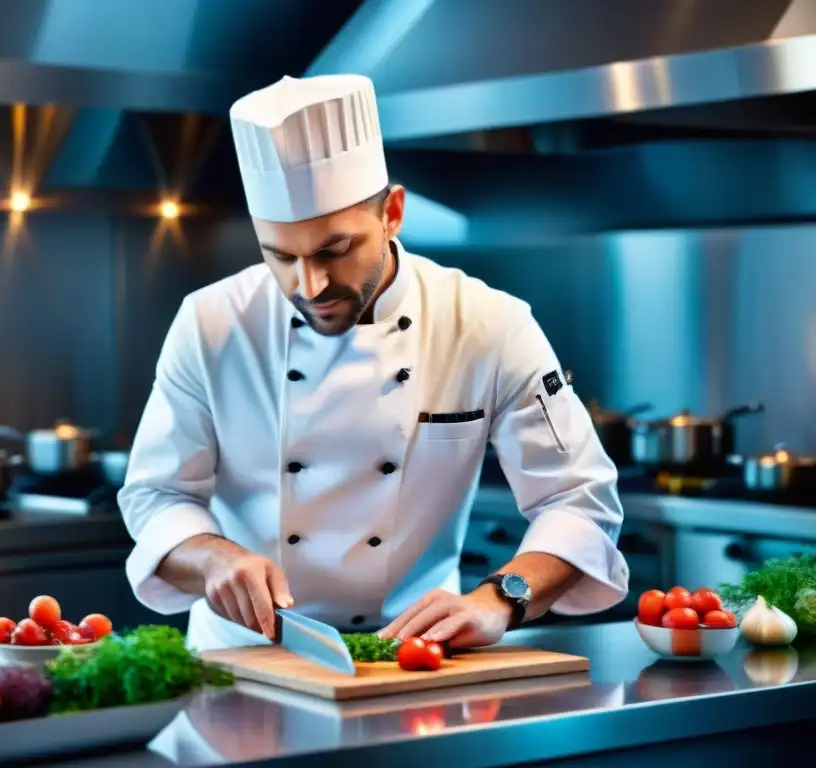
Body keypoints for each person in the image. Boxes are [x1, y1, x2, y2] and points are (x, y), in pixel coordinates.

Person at [119, 73, 628, 652]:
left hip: (417, 654)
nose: (308, 285)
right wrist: (214, 560)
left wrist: (499, 600)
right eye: (279, 256)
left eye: (334, 251)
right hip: (242, 658)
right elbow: (156, 496)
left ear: (392, 213)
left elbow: (579, 500)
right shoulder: (210, 322)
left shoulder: (489, 324)